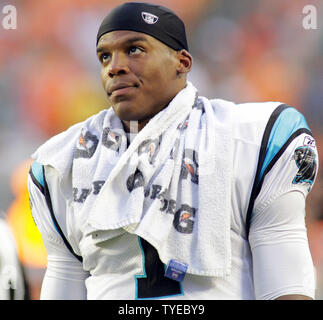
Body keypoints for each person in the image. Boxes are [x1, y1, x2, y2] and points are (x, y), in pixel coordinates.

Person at [27, 2, 318, 300]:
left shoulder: (252, 139)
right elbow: (63, 283)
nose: (115, 67)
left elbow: (287, 285)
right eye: (105, 57)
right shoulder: (63, 163)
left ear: (183, 62)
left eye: (134, 49)